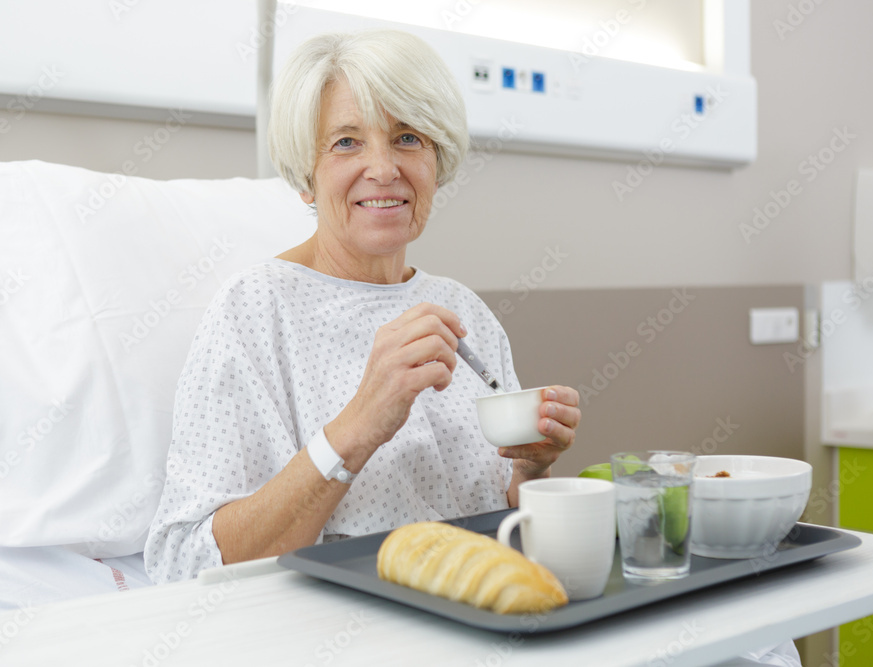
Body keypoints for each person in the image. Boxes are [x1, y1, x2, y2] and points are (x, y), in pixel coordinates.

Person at [145, 29, 580, 583]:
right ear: (307, 176)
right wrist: (359, 425)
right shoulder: (255, 311)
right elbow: (184, 564)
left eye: (407, 138)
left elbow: (505, 529)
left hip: (477, 603)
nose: (382, 168)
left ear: (436, 162)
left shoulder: (462, 310)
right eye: (346, 142)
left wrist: (531, 467)